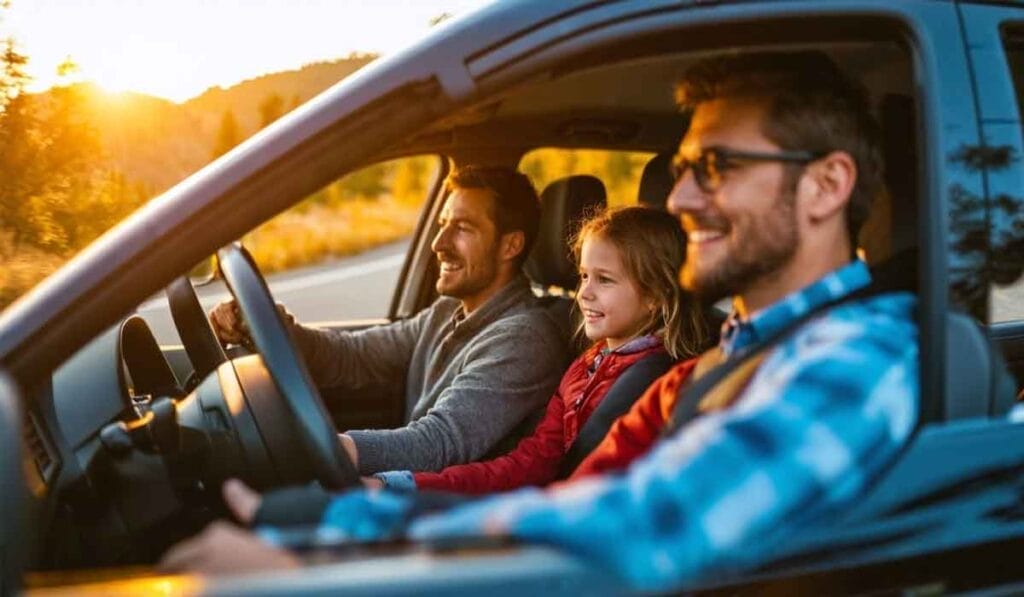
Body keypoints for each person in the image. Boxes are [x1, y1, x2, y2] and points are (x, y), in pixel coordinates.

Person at [164, 50, 920, 591]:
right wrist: (335, 513)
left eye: (715, 168)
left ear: (827, 185)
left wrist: (330, 548)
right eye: (683, 169)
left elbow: (644, 528)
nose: (682, 200)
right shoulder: (731, 358)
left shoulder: (860, 358)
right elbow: (573, 498)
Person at [210, 165, 568, 475]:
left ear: (510, 246)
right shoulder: (448, 312)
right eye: (443, 224)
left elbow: (437, 444)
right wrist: (274, 328)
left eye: (462, 228)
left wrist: (325, 447)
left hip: (452, 520)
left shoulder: (525, 339)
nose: (438, 243)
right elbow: (352, 356)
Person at [370, 206, 710, 494]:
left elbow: (595, 489)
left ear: (655, 296)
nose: (584, 294)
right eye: (583, 276)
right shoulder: (584, 366)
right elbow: (530, 463)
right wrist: (405, 484)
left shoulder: (662, 382)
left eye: (604, 280)